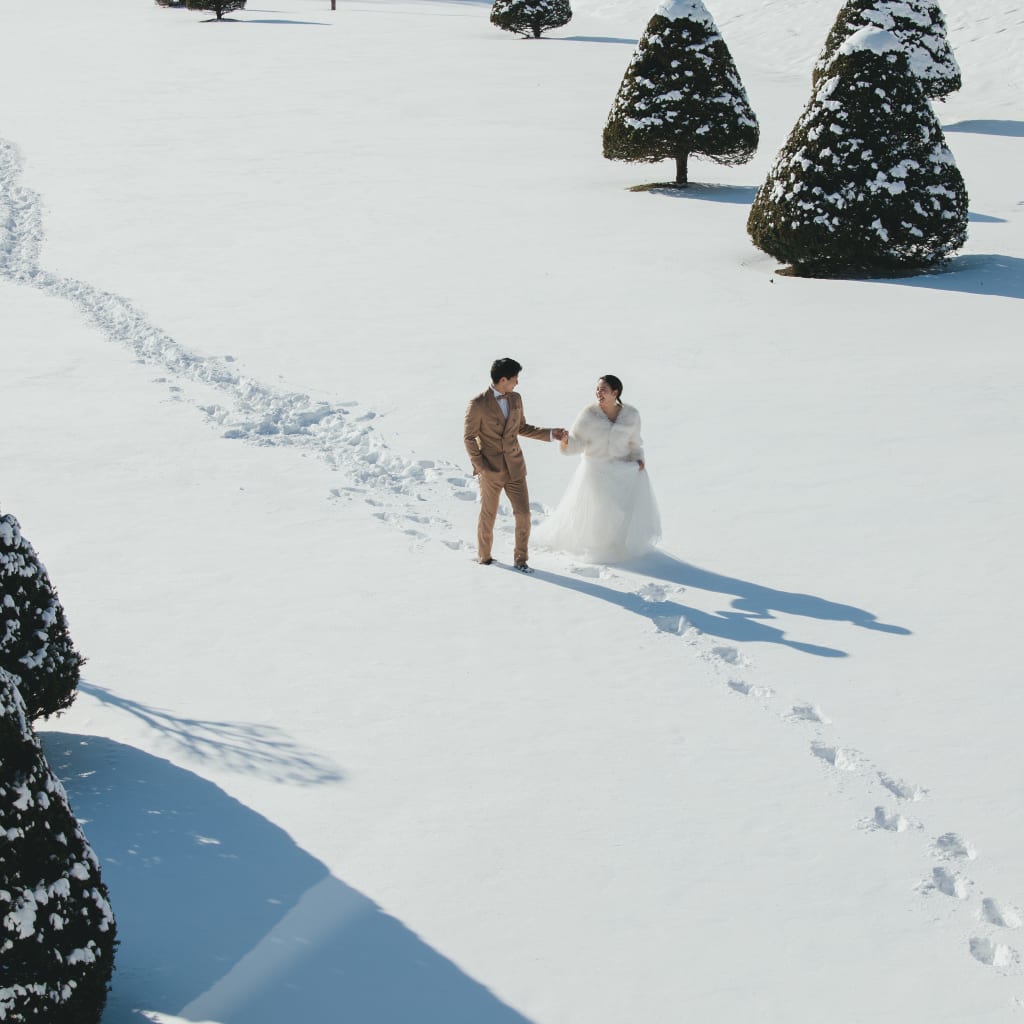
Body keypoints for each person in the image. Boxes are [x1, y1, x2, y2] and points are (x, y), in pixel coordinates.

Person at [534, 374, 660, 563]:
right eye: (597, 389)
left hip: (621, 471)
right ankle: (599, 548)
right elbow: (577, 444)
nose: (598, 393)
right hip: (595, 470)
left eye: (604, 390)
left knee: (621, 510)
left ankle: (618, 545)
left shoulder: (631, 415)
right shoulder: (588, 415)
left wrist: (639, 459)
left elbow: (635, 443)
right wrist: (567, 441)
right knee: (600, 511)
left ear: (615, 393)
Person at [464, 358, 566, 572]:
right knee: (488, 514)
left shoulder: (516, 398)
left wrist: (550, 434)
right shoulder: (478, 404)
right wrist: (480, 466)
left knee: (524, 515)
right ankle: (484, 558)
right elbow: (469, 438)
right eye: (514, 379)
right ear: (503, 379)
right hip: (490, 469)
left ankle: (521, 560)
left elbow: (522, 427)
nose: (517, 383)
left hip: (516, 467)